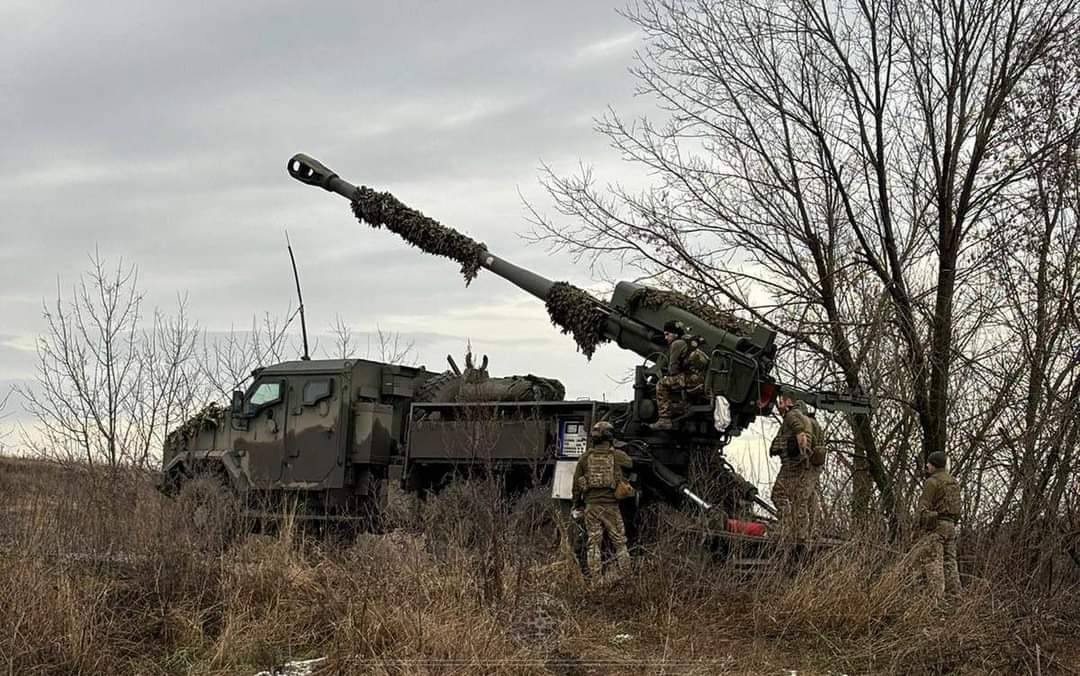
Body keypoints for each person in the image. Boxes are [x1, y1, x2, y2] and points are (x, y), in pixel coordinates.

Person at [572, 421, 633, 579]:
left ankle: (596, 580)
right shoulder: (617, 456)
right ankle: (627, 577)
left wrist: (576, 505)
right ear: (610, 437)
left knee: (593, 544)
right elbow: (630, 463)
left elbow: (576, 487)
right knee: (620, 543)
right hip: (611, 506)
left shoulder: (585, 458)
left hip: (591, 507)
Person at [909, 451, 962, 600]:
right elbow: (957, 509)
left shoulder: (931, 482)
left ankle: (936, 600)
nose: (926, 466)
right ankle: (955, 597)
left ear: (933, 465)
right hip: (951, 527)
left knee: (934, 562)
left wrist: (919, 525)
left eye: (928, 463)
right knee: (950, 562)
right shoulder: (954, 482)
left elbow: (923, 508)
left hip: (936, 528)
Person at [769, 391, 814, 544]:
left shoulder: (792, 416)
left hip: (791, 465)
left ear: (788, 401)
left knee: (778, 495)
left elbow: (799, 430)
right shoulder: (797, 415)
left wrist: (802, 452)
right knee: (799, 499)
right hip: (798, 465)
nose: (779, 405)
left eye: (781, 401)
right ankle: (800, 533)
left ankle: (786, 528)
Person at [650, 320, 689, 430]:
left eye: (668, 334)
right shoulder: (690, 340)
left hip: (690, 378)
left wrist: (666, 374)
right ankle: (681, 406)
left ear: (675, 334)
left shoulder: (677, 344)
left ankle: (664, 419)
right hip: (698, 378)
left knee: (661, 384)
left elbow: (673, 369)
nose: (666, 338)